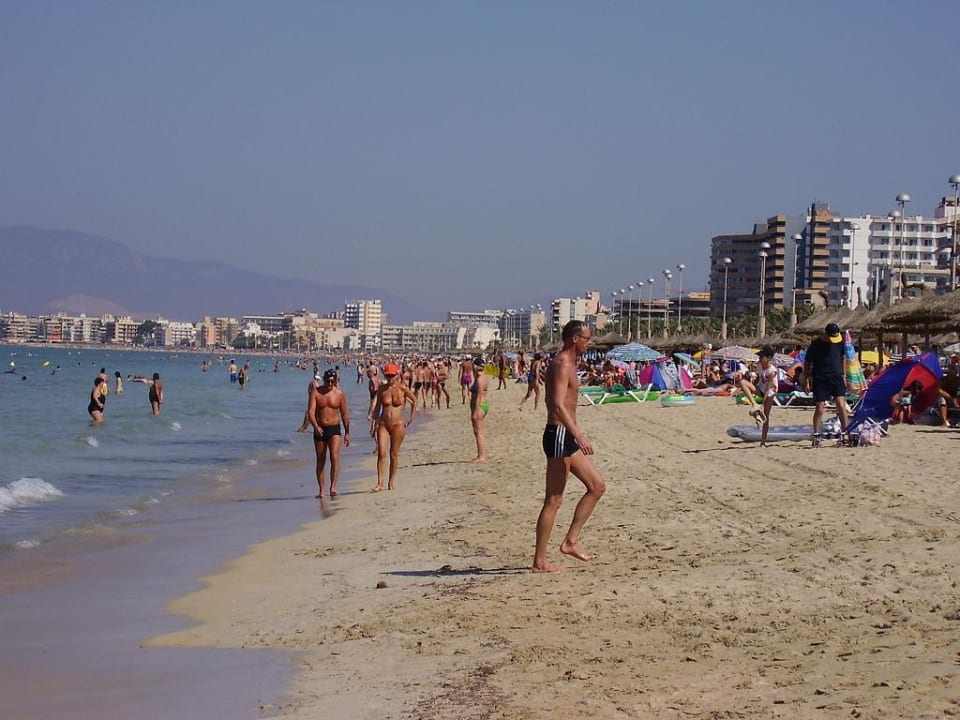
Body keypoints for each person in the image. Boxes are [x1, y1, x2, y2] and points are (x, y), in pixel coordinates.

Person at [533, 320, 607, 573]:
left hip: (567, 437)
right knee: (553, 500)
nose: (590, 342)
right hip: (559, 435)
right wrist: (580, 435)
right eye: (587, 338)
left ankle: (570, 541)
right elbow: (557, 405)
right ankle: (540, 561)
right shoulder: (562, 363)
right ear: (575, 338)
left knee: (597, 486)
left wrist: (575, 436)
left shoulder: (570, 363)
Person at [370, 363, 416, 491]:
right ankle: (380, 483)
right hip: (383, 424)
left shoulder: (402, 388)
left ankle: (391, 482)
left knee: (394, 454)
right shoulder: (381, 389)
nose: (390, 378)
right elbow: (377, 408)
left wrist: (411, 417)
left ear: (396, 375)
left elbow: (414, 400)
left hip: (398, 425)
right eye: (388, 375)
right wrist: (373, 426)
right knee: (381, 453)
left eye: (392, 376)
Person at [307, 368, 351, 498]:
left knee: (334, 457)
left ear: (335, 380)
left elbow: (345, 414)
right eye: (328, 381)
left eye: (332, 381)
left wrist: (347, 432)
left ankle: (333, 487)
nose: (330, 383)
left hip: (334, 429)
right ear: (324, 380)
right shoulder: (316, 393)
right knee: (320, 460)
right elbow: (310, 412)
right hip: (319, 428)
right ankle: (321, 490)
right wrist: (315, 426)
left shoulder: (339, 394)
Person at [803, 323, 851, 441]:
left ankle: (846, 433)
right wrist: (806, 380)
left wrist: (844, 374)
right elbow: (807, 363)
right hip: (820, 378)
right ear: (826, 334)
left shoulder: (840, 342)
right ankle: (816, 434)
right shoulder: (816, 344)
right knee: (820, 407)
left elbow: (843, 357)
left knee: (841, 404)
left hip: (837, 377)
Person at [738, 347, 778, 447]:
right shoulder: (760, 366)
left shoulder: (772, 371)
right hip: (761, 388)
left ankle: (763, 442)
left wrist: (763, 405)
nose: (759, 358)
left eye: (762, 356)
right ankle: (754, 404)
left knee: (766, 416)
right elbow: (760, 380)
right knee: (743, 382)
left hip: (770, 392)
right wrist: (753, 386)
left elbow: (769, 388)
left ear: (768, 358)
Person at [469, 356, 489, 462]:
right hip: (483, 405)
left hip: (480, 406)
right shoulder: (483, 377)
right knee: (477, 431)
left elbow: (479, 396)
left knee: (479, 431)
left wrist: (475, 411)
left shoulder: (480, 379)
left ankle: (481, 456)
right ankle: (480, 454)